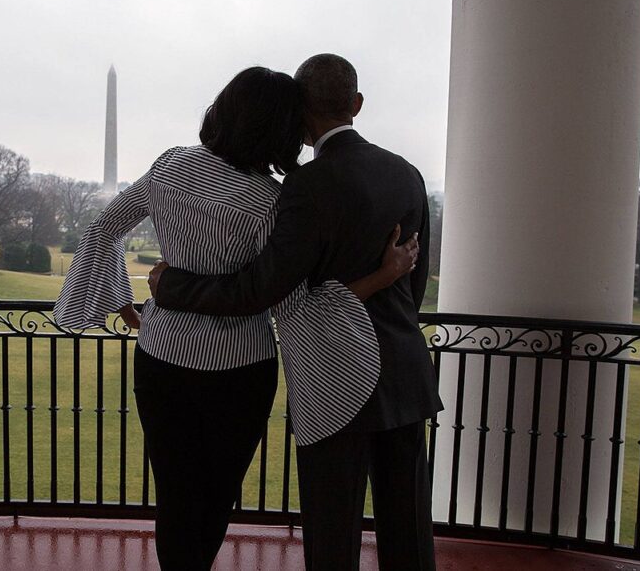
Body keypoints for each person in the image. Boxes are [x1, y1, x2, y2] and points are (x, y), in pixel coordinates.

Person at [54, 66, 417, 570]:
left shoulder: (169, 166)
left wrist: (123, 304)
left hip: (160, 356)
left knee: (175, 492)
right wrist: (383, 275)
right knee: (217, 493)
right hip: (240, 370)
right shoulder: (273, 200)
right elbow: (291, 301)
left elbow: (101, 228)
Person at [149, 54, 442, 570]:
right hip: (403, 373)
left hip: (333, 382)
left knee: (333, 533)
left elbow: (258, 290)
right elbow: (414, 284)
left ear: (301, 113)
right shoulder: (408, 175)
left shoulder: (306, 187)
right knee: (410, 531)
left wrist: (169, 284)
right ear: (356, 104)